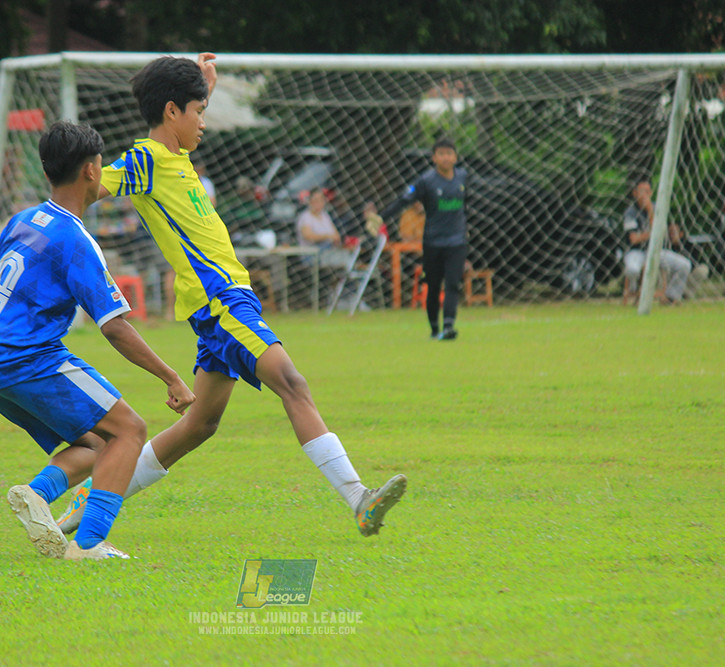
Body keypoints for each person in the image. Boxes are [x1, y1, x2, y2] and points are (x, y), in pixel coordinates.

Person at [57, 53, 407, 538]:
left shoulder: (173, 155)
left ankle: (88, 497)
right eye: (199, 111)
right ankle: (359, 499)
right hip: (222, 302)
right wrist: (51, 217)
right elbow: (93, 184)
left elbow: (169, 134)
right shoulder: (146, 160)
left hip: (221, 304)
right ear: (173, 111)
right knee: (291, 381)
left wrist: (205, 87)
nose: (204, 122)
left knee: (198, 427)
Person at [0, 121, 195, 561]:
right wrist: (170, 376)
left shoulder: (24, 219)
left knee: (97, 444)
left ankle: (36, 493)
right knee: (131, 430)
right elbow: (115, 326)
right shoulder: (75, 240)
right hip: (30, 359)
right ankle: (88, 544)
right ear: (91, 170)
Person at [380, 138, 468, 340]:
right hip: (433, 242)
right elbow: (404, 200)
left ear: (455, 157)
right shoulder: (426, 181)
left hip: (457, 241)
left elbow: (468, 204)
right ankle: (435, 327)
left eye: (449, 153)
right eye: (441, 153)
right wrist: (381, 218)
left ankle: (448, 326)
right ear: (434, 157)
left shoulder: (463, 177)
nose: (446, 157)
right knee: (433, 285)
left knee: (453, 283)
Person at [622, 178, 692, 304]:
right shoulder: (630, 212)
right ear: (635, 193)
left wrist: (650, 211)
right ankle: (636, 293)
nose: (645, 195)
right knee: (632, 270)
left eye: (647, 192)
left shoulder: (657, 209)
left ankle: (670, 297)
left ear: (651, 193)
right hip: (636, 252)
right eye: (642, 191)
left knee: (684, 265)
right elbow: (634, 239)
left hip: (656, 252)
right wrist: (653, 235)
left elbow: (661, 236)